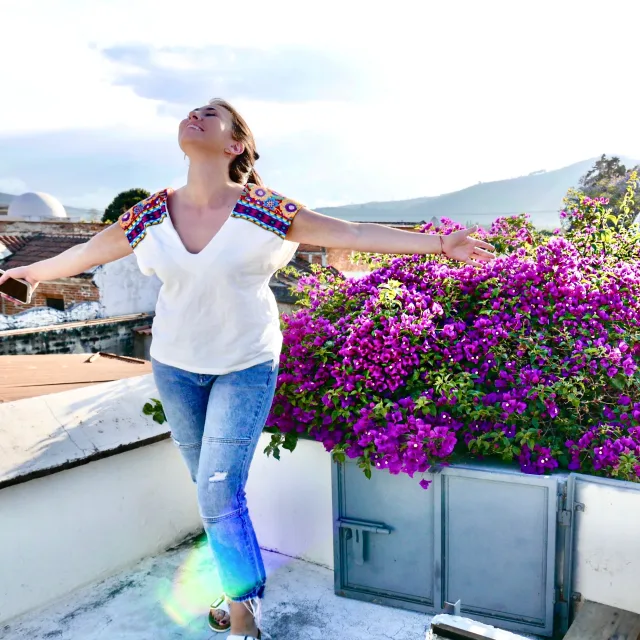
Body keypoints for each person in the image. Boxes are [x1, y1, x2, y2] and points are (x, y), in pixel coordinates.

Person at [0, 98, 496, 639]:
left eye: (210, 115)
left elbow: (349, 235)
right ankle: (240, 586)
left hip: (244, 367)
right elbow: (88, 254)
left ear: (235, 144)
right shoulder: (150, 213)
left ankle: (243, 621)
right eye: (192, 111)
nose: (195, 115)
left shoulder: (261, 209)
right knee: (212, 489)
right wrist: (28, 271)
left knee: (216, 493)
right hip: (174, 366)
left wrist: (440, 245)